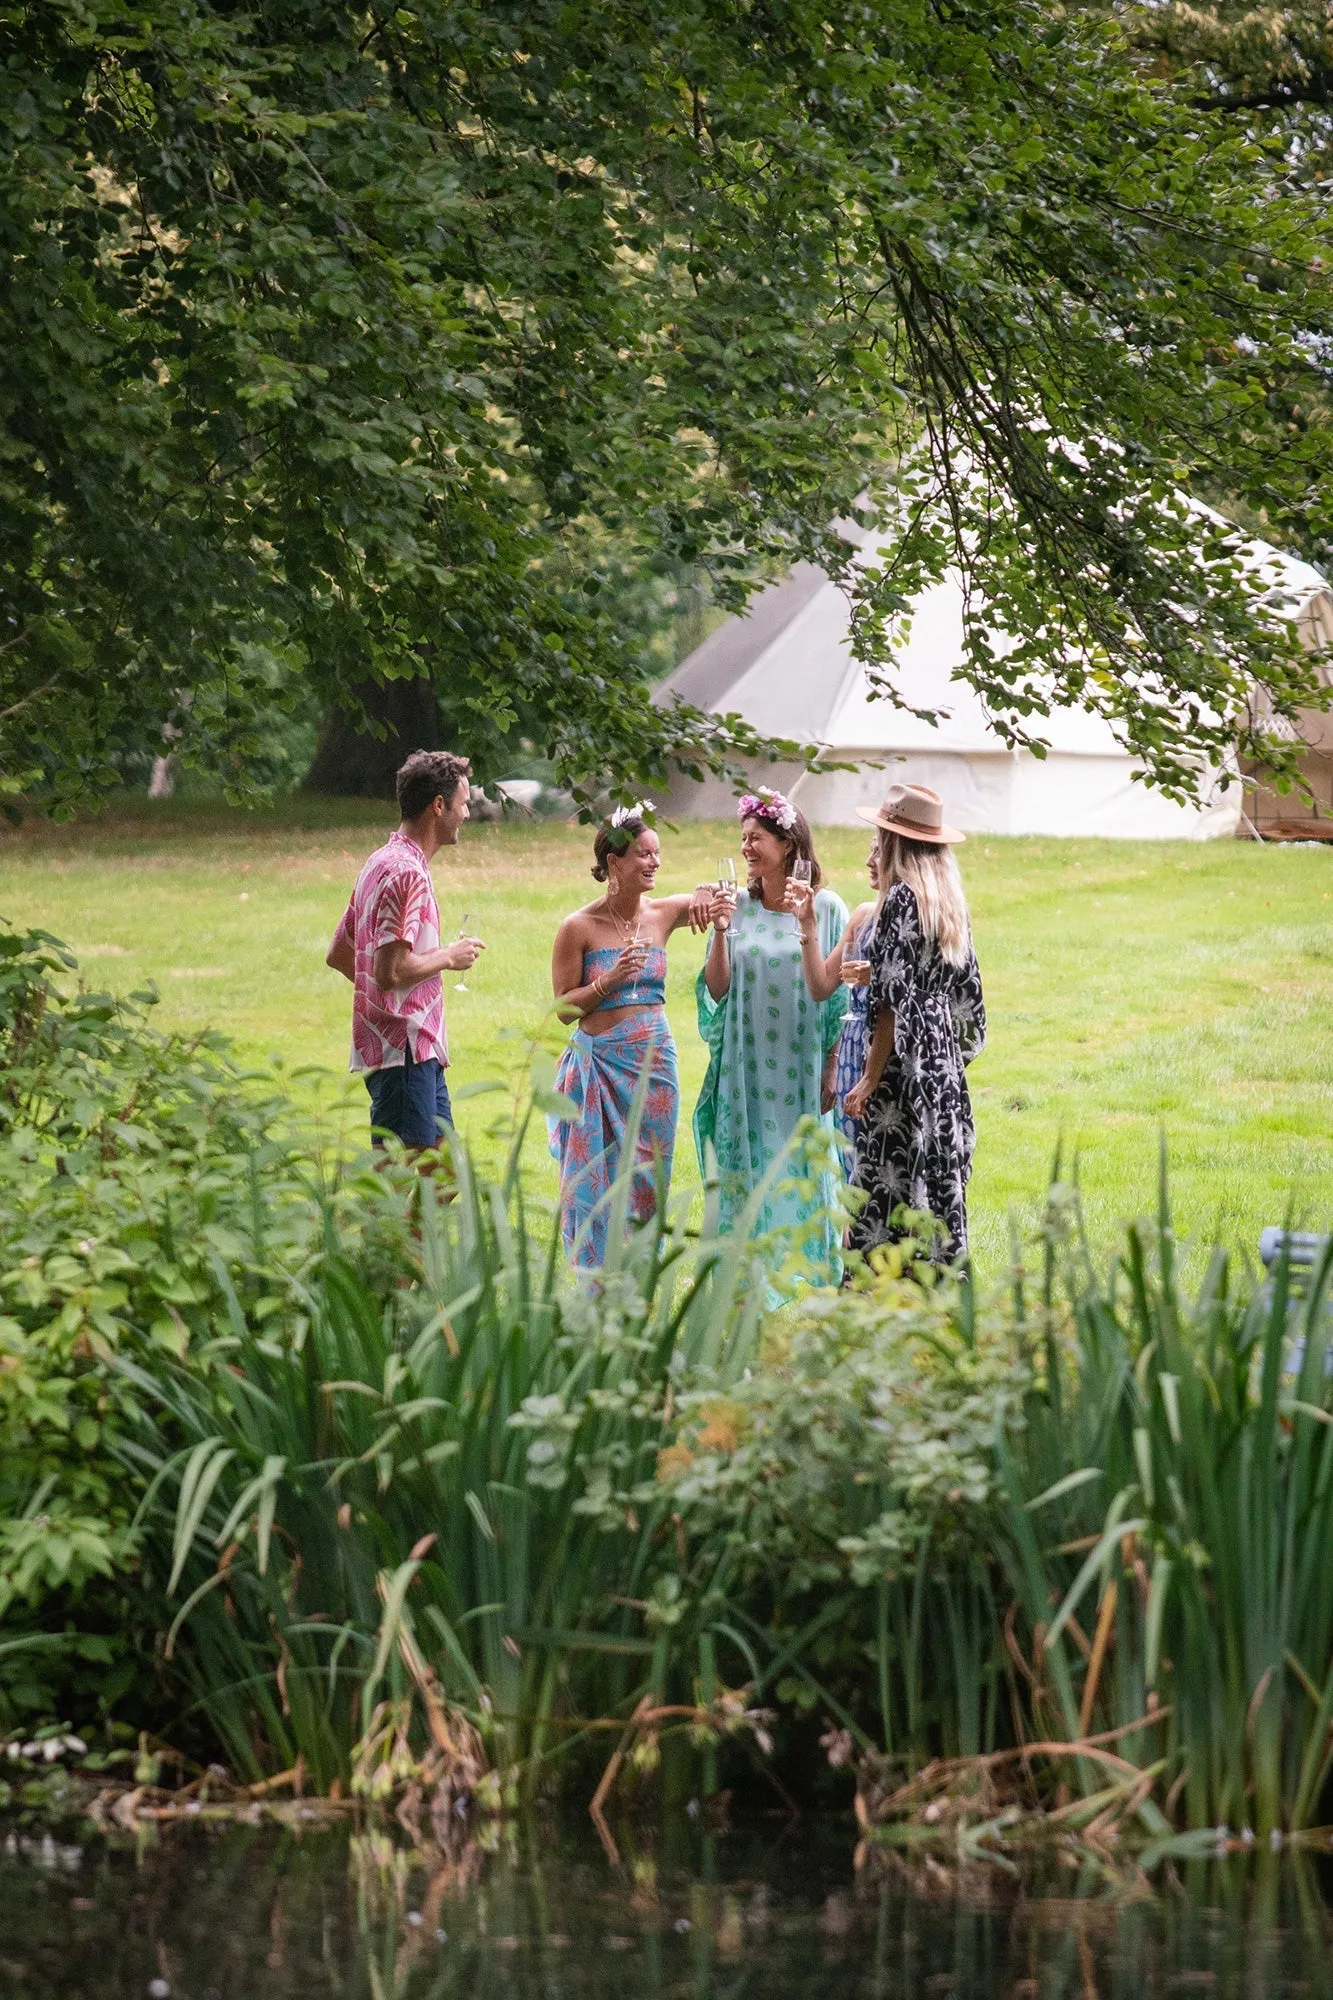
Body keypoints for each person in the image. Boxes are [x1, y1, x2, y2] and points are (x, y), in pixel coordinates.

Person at [695, 788, 848, 1292]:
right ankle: (745, 1275)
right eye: (743, 838)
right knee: (750, 1161)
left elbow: (839, 998)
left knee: (800, 1158)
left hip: (801, 1060)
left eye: (756, 838)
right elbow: (717, 988)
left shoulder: (827, 909)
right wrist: (719, 931)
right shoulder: (737, 905)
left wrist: (831, 1065)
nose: (746, 848)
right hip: (747, 1060)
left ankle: (809, 1271)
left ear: (787, 843)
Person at [548, 808, 711, 1268]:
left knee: (646, 1178)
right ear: (614, 861)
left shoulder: (663, 914)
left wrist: (704, 891)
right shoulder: (577, 927)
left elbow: (722, 895)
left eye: (658, 854)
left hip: (654, 1067)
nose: (655, 862)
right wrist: (610, 981)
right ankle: (594, 1282)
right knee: (591, 1180)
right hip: (597, 1068)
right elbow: (562, 1011)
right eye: (644, 854)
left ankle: (639, 1278)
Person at [842, 784, 986, 1262]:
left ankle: (878, 1292)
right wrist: (941, 1048)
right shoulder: (946, 901)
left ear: (895, 842)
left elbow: (889, 1003)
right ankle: (936, 1285)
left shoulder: (901, 898)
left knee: (886, 1175)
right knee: (932, 1170)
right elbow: (963, 994)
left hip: (902, 1063)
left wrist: (869, 1077)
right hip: (939, 1060)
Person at [326, 749, 483, 1150]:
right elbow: (389, 972)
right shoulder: (406, 873)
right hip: (405, 1050)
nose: (466, 814)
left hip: (417, 1048)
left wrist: (378, 1004)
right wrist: (449, 957)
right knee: (393, 1179)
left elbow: (342, 952)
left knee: (444, 1175)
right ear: (438, 805)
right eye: (463, 804)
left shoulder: (380, 862)